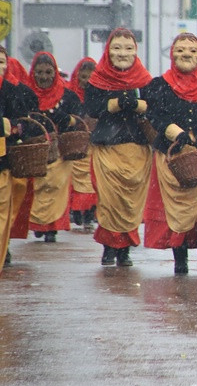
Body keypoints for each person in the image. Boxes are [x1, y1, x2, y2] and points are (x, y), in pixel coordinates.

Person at [143, 33, 197, 274]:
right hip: (171, 155)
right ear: (172, 54)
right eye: (181, 50)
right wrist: (176, 132)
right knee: (176, 209)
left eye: (193, 50)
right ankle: (181, 259)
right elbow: (154, 116)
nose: (187, 54)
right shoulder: (160, 86)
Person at [82, 28, 155, 266]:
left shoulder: (145, 80)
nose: (122, 53)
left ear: (135, 51)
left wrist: (137, 104)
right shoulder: (97, 80)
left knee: (132, 200)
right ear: (108, 50)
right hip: (108, 147)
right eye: (116, 48)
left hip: (136, 147)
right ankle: (109, 246)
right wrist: (112, 104)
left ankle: (125, 249)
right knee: (109, 199)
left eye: (128, 48)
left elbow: (155, 109)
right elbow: (92, 108)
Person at [27, 52, 81, 243]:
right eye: (39, 72)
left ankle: (52, 228)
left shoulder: (67, 96)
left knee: (56, 187)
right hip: (33, 151)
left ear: (55, 73)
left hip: (60, 152)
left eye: (48, 72)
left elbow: (79, 119)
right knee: (36, 188)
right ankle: (38, 224)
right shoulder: (25, 94)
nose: (43, 77)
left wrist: (66, 119)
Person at [0, 47, 32, 273]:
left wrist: (13, 128)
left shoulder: (12, 91)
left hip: (4, 158)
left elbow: (22, 122)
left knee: (4, 207)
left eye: (1, 62)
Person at [66, 57, 98, 230]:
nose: (86, 82)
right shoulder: (70, 95)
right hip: (75, 144)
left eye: (90, 78)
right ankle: (78, 211)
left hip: (92, 145)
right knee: (76, 180)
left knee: (90, 179)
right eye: (83, 77)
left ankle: (89, 213)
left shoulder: (99, 97)